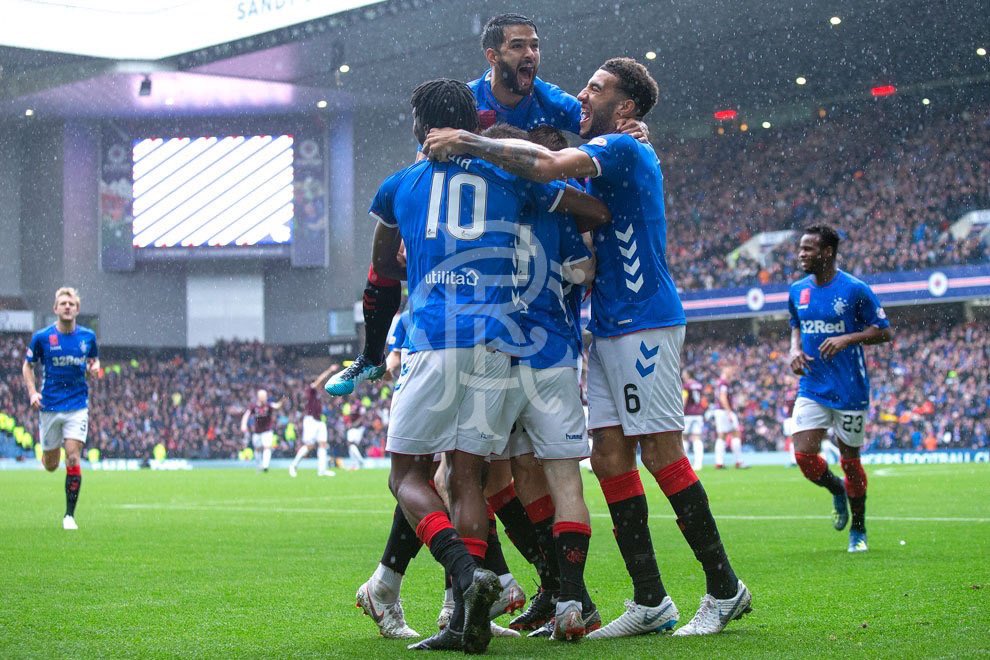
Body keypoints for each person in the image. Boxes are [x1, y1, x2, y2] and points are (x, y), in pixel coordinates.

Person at [423, 56, 751, 637]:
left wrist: (468, 140)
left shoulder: (624, 149)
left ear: (625, 108)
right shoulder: (616, 150)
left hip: (645, 320)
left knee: (662, 453)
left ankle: (724, 588)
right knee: (607, 459)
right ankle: (650, 600)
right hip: (609, 325)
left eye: (596, 88)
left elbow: (547, 165)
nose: (582, 93)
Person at [369, 78, 610, 653]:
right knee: (469, 474)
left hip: (433, 337)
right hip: (499, 343)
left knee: (408, 477)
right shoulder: (511, 175)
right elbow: (581, 199)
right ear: (472, 123)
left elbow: (381, 277)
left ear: (420, 126)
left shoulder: (401, 185)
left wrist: (375, 342)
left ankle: (464, 574)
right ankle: (467, 622)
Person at [323, 12, 645, 400]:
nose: (530, 54)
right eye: (518, 46)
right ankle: (375, 353)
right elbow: (429, 155)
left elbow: (601, 123)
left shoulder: (550, 99)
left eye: (535, 45)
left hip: (541, 211)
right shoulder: (467, 99)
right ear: (492, 56)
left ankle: (582, 285)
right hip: (487, 217)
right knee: (396, 262)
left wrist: (635, 126)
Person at [787, 224, 892, 553]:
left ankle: (858, 529)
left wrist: (848, 338)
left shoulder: (855, 290)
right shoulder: (797, 291)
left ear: (827, 252)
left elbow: (883, 331)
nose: (801, 254)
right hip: (813, 384)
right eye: (800, 248)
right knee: (804, 456)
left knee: (850, 460)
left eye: (808, 249)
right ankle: (836, 490)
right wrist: (794, 350)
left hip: (849, 389)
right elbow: (796, 324)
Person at [22, 287, 100, 530]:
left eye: (71, 303)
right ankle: (46, 454)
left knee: (73, 456)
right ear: (55, 308)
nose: (67, 306)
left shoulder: (88, 337)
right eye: (63, 303)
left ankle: (69, 516)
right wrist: (33, 392)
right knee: (51, 465)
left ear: (77, 309)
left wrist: (94, 367)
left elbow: (93, 360)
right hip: (50, 406)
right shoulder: (42, 337)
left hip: (77, 406)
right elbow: (28, 366)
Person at [288, 367, 337, 477]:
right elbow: (319, 381)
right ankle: (293, 465)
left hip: (319, 421)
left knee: (323, 444)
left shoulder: (318, 393)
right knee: (309, 446)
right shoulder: (310, 390)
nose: (320, 384)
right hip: (310, 420)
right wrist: (329, 370)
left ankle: (322, 470)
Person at [240, 389, 284, 473]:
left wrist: (282, 401)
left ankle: (265, 466)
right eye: (263, 396)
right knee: (257, 449)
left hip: (267, 431)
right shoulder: (254, 406)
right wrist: (243, 424)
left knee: (267, 447)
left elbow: (277, 406)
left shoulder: (269, 405)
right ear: (259, 397)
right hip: (257, 431)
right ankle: (259, 465)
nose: (264, 397)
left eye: (265, 396)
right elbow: (246, 414)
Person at [712, 366, 746, 469]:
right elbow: (722, 397)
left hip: (720, 411)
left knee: (722, 436)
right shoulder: (724, 383)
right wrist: (729, 412)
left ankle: (719, 462)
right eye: (729, 370)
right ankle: (738, 461)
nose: (731, 372)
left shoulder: (721, 383)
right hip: (724, 411)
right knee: (735, 434)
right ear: (724, 371)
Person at [682, 370, 707, 470]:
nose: (683, 375)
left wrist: (681, 410)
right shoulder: (699, 385)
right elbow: (702, 400)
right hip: (698, 414)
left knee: (684, 438)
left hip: (688, 413)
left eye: (684, 374)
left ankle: (684, 464)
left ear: (688, 374)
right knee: (697, 438)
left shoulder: (686, 386)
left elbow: (684, 399)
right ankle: (698, 464)